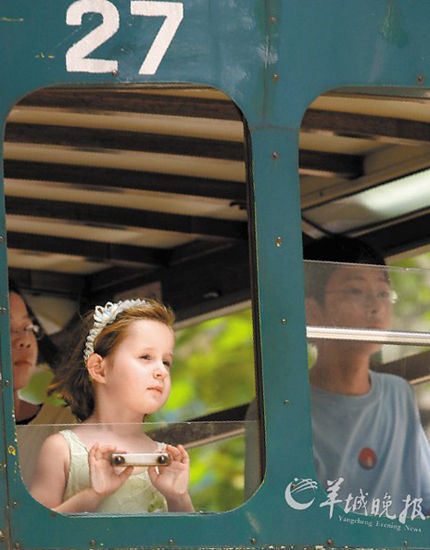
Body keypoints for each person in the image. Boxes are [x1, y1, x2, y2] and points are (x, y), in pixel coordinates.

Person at [30, 298, 194, 514]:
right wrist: (93, 494)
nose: (161, 371)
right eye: (146, 357)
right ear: (99, 368)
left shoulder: (165, 457)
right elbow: (34, 533)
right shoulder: (61, 449)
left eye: (166, 362)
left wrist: (178, 497)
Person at [304, 235, 430, 517]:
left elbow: (425, 501)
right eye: (355, 292)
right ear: (312, 311)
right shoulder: (284, 406)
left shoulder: (399, 393)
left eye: (384, 293)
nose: (375, 305)